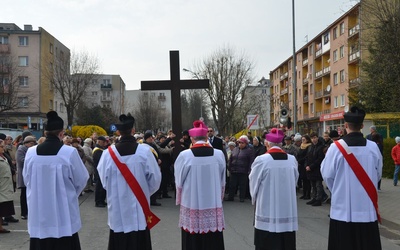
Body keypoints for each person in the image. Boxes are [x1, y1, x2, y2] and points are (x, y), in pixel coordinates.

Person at [23, 111, 89, 250]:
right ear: (61, 133)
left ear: (45, 133)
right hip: (63, 213)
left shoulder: (31, 153)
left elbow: (27, 179)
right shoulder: (69, 153)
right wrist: (69, 195)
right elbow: (82, 179)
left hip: (39, 212)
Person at [321, 106, 382, 250]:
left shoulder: (335, 148)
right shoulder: (373, 148)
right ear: (362, 126)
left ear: (345, 126)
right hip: (367, 210)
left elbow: (327, 175)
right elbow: (378, 174)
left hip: (343, 211)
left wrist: (337, 191)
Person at [97, 114, 161, 250]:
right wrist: (143, 191)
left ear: (118, 132)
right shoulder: (145, 152)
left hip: (118, 208)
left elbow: (104, 181)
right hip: (140, 207)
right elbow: (155, 179)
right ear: (133, 130)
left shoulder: (107, 154)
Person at [175, 120, 226, 250]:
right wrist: (219, 197)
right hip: (212, 204)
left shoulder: (184, 156)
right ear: (206, 137)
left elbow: (179, 182)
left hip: (191, 202)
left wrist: (179, 198)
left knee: (192, 241)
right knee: (212, 240)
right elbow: (222, 181)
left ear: (192, 138)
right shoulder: (219, 154)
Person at [249, 128, 299, 250]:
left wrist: (254, 199)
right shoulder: (292, 160)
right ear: (281, 144)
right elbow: (295, 181)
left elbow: (253, 183)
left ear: (267, 144)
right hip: (287, 211)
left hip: (267, 210)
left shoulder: (261, 160)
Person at [225, 135, 255, 202]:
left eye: (242, 143)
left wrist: (250, 170)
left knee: (242, 185)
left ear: (246, 143)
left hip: (243, 171)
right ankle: (231, 197)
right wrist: (229, 167)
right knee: (232, 184)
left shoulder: (249, 151)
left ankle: (242, 197)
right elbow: (231, 158)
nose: (240, 144)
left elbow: (251, 161)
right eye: (239, 143)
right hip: (234, 170)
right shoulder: (235, 149)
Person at [16, 136, 37, 220]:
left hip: (31, 174)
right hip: (23, 174)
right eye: (31, 143)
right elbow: (21, 160)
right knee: (24, 194)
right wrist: (33, 159)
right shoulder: (21, 150)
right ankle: (23, 213)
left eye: (33, 143)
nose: (33, 145)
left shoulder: (32, 150)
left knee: (31, 194)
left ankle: (29, 212)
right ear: (26, 143)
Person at [305, 132, 327, 207]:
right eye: (312, 138)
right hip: (310, 169)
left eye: (315, 137)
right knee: (313, 185)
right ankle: (314, 198)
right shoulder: (310, 147)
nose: (314, 139)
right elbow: (307, 157)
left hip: (317, 169)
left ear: (317, 137)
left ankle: (319, 199)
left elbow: (320, 159)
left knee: (318, 185)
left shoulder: (321, 147)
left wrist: (311, 166)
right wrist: (307, 165)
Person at [0, 139, 16, 233]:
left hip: (5, 186)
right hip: (1, 187)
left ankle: (0, 226)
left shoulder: (4, 156)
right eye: (1, 146)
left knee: (2, 209)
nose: (3, 148)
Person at [93, 136, 108, 207]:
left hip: (101, 170)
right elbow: (100, 160)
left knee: (102, 187)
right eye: (103, 142)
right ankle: (98, 201)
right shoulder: (97, 150)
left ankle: (102, 200)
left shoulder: (101, 149)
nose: (104, 143)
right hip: (98, 171)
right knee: (99, 187)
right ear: (99, 142)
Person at [297, 135, 312, 200]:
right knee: (303, 180)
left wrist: (300, 161)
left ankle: (308, 194)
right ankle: (304, 193)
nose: (302, 141)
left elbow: (307, 156)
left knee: (307, 180)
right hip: (301, 165)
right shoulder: (301, 146)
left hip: (305, 164)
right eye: (302, 140)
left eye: (304, 140)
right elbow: (299, 154)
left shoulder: (309, 146)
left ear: (307, 140)